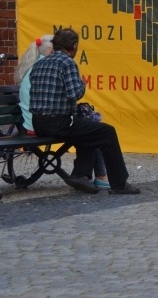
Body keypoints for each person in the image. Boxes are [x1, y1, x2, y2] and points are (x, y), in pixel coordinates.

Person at [29, 28, 141, 194]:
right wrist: (82, 83)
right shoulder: (67, 63)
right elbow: (75, 93)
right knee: (107, 132)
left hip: (38, 123)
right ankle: (119, 184)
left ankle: (80, 174)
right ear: (74, 46)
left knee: (87, 129)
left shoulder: (39, 64)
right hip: (60, 122)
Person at [15, 35, 111, 189]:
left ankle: (88, 175)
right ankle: (96, 175)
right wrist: (81, 84)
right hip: (41, 124)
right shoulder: (51, 66)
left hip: (32, 121)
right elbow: (72, 95)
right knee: (90, 126)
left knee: (85, 125)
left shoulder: (34, 66)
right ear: (52, 50)